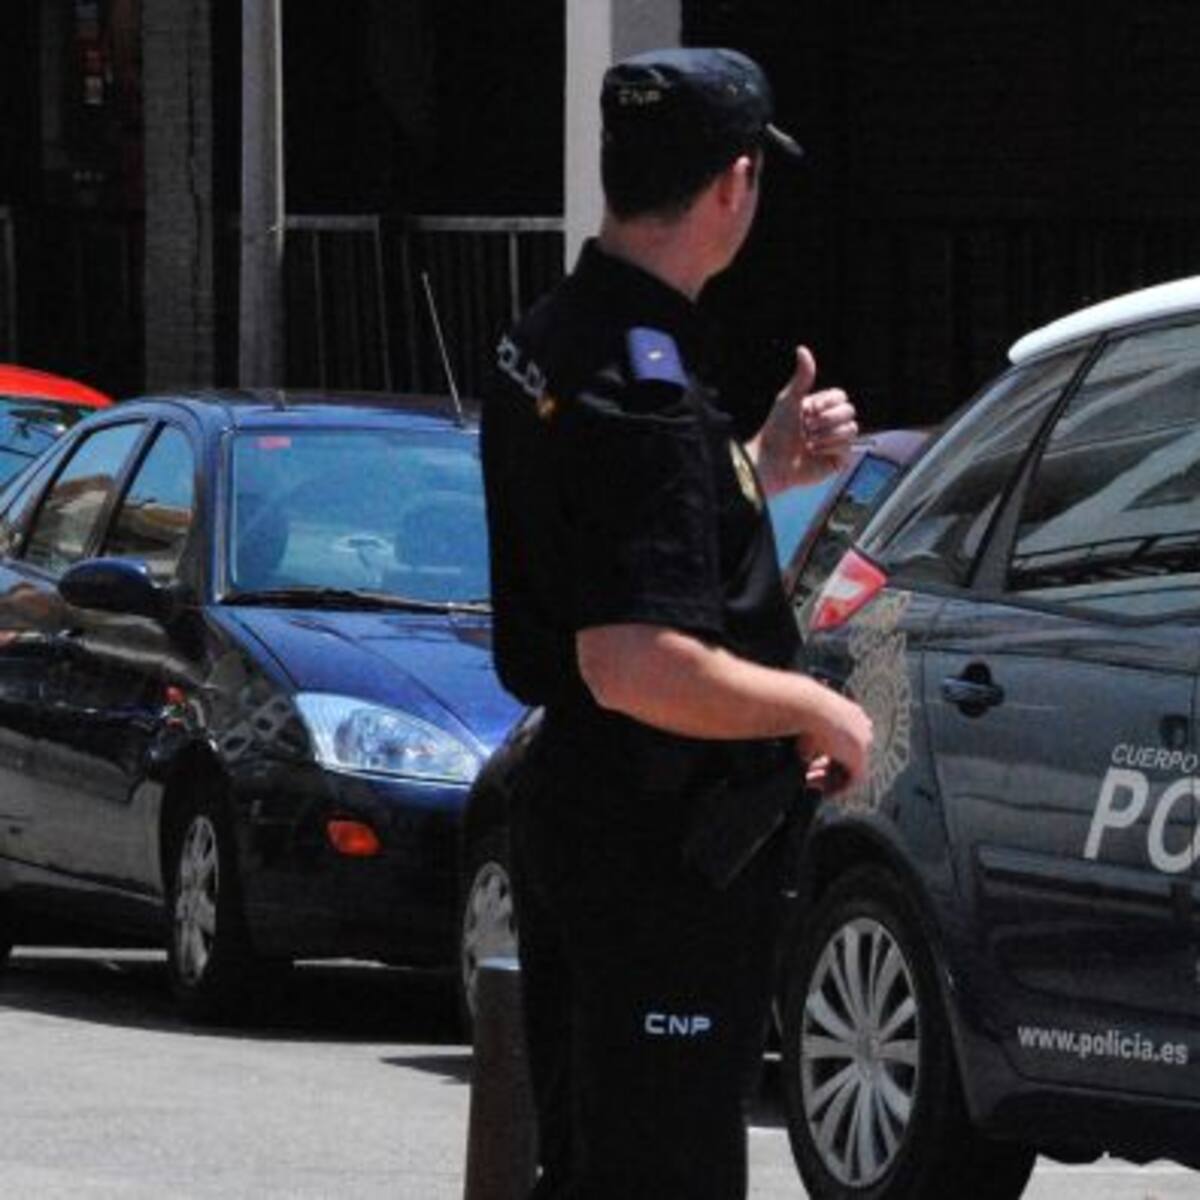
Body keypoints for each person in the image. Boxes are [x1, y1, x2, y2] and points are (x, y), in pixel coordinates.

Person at [480, 46, 874, 1200]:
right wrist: (821, 710)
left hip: (586, 819)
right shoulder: (643, 388)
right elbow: (634, 661)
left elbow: (615, 552)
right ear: (732, 186)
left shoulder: (560, 335)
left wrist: (759, 467)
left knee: (594, 1160)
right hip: (657, 850)